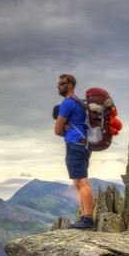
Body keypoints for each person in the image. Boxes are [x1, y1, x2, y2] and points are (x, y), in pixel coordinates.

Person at [54, 74, 96, 229]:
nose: (58, 86)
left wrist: (64, 129)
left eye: (61, 83)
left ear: (69, 85)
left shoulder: (68, 103)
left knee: (82, 181)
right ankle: (85, 218)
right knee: (78, 182)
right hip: (83, 145)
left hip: (75, 145)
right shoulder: (80, 103)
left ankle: (88, 219)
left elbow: (57, 130)